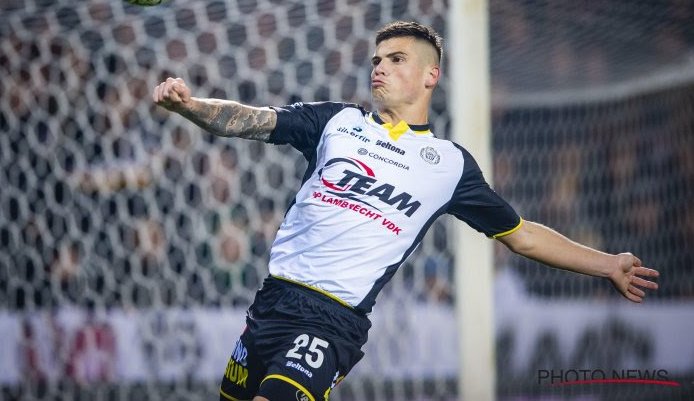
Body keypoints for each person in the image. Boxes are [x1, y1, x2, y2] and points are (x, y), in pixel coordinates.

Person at [152, 21, 659, 401]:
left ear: (430, 75)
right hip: (269, 304)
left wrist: (608, 263)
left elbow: (521, 235)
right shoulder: (337, 122)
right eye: (376, 59)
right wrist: (190, 106)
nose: (379, 67)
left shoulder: (448, 166)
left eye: (395, 59)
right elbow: (253, 120)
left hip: (331, 321)